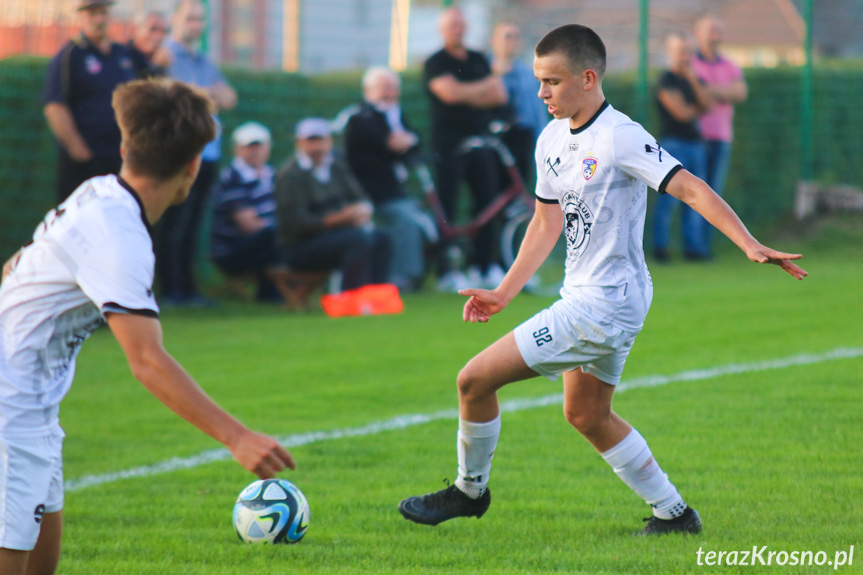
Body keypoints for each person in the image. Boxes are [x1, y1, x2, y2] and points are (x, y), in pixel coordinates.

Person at [398, 24, 807, 536]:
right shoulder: (550, 139)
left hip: (604, 305)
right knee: (587, 414)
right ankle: (674, 514)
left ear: (588, 78)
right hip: (596, 298)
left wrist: (749, 243)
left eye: (552, 82)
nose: (542, 93)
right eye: (538, 81)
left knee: (473, 380)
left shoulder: (621, 136)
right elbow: (547, 221)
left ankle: (468, 491)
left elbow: (692, 188)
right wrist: (505, 291)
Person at [0, 78, 294, 575]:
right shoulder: (120, 238)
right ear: (194, 166)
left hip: (34, 412)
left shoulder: (98, 192)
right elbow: (147, 361)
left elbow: (16, 267)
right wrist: (236, 436)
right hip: (11, 416)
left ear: (123, 146)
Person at [157, 0, 238, 306]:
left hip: (209, 153)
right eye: (190, 18)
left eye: (200, 19)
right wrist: (204, 93)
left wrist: (198, 92)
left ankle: (189, 289)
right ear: (175, 19)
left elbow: (229, 97)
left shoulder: (204, 60)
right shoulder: (164, 56)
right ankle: (172, 289)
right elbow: (173, 93)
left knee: (193, 226)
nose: (196, 24)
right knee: (175, 223)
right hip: (180, 153)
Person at [424, 7, 509, 292]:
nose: (456, 30)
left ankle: (484, 265)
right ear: (442, 29)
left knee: (488, 204)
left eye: (460, 25)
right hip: (448, 147)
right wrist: (480, 88)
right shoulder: (435, 62)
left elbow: (498, 94)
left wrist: (465, 91)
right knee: (446, 208)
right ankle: (447, 271)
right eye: (451, 26)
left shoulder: (478, 59)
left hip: (481, 144)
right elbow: (448, 94)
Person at [345, 66, 438, 293]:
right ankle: (401, 279)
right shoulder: (361, 116)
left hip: (396, 191)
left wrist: (408, 140)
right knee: (405, 219)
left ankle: (423, 274)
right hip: (372, 193)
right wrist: (402, 140)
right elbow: (388, 142)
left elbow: (414, 140)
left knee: (425, 219)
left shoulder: (395, 114)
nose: (391, 93)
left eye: (394, 87)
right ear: (369, 90)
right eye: (385, 87)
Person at [274, 118, 392, 292]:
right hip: (300, 247)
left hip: (336, 236)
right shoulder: (290, 175)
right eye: (311, 141)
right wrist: (341, 219)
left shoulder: (336, 166)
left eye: (320, 141)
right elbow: (296, 224)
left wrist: (362, 212)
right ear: (299, 143)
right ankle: (351, 297)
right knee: (357, 240)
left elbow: (360, 198)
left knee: (382, 238)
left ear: (329, 141)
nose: (317, 147)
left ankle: (376, 296)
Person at [42, 0, 137, 203]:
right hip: (86, 163)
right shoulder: (70, 55)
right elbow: (55, 106)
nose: (99, 19)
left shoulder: (122, 53)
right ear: (81, 17)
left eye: (103, 13)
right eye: (92, 14)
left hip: (120, 160)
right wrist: (81, 152)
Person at [210, 122, 308, 308]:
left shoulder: (273, 175)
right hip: (232, 252)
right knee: (273, 235)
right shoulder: (232, 177)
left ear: (268, 148)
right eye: (249, 146)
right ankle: (283, 291)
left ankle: (280, 291)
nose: (255, 151)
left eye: (259, 146)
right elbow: (249, 226)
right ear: (237, 149)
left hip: (267, 244)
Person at [652, 32, 714, 262]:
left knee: (699, 200)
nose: (686, 57)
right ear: (671, 53)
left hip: (696, 145)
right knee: (667, 201)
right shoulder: (665, 81)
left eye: (689, 51)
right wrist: (699, 108)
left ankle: (693, 250)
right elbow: (682, 113)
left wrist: (692, 80)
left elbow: (708, 104)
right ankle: (661, 249)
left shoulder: (694, 80)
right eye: (681, 52)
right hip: (672, 146)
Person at [693, 15, 748, 257]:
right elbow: (695, 93)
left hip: (721, 137)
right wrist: (723, 92)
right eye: (710, 31)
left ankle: (705, 247)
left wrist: (708, 90)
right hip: (695, 138)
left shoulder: (730, 66)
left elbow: (740, 92)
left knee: (714, 194)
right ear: (699, 34)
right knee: (695, 194)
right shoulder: (691, 65)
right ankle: (692, 247)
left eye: (718, 31)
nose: (715, 36)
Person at [490, 20, 550, 186]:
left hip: (522, 137)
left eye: (516, 37)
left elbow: (536, 111)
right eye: (508, 37)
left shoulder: (527, 73)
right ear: (494, 41)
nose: (512, 42)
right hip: (496, 138)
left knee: (519, 186)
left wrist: (542, 141)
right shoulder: (486, 70)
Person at [127, 10, 170, 78]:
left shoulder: (163, 58)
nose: (159, 37)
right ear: (136, 29)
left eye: (163, 31)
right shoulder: (124, 55)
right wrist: (158, 67)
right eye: (153, 29)